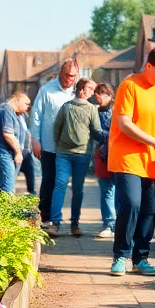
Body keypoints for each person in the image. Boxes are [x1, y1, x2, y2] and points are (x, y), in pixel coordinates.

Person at [108, 47, 155, 277]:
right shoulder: (129, 86)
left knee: (150, 210)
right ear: (148, 66)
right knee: (131, 205)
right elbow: (124, 123)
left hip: (154, 160)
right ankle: (121, 256)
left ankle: (141, 258)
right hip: (128, 157)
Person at [30, 60, 79, 236]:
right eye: (67, 76)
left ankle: (73, 220)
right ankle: (46, 217)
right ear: (61, 73)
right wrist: (35, 140)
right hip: (49, 145)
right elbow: (36, 116)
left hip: (71, 147)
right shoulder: (47, 90)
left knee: (71, 184)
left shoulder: (77, 92)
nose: (69, 79)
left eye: (73, 76)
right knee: (49, 180)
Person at [51, 77, 103, 237]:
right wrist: (61, 146)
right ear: (81, 89)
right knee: (60, 185)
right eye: (90, 89)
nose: (93, 92)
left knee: (78, 190)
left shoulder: (91, 109)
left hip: (82, 155)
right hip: (64, 154)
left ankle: (75, 223)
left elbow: (96, 131)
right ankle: (55, 223)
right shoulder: (66, 107)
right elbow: (57, 129)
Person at [0, 91, 30, 193]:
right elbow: (8, 134)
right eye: (26, 104)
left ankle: (6, 206)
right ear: (17, 100)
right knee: (7, 187)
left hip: (12, 154)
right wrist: (18, 153)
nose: (28, 107)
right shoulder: (7, 112)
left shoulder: (20, 115)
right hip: (3, 153)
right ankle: (5, 208)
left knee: (9, 185)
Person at [93, 81, 117, 239]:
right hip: (101, 156)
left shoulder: (115, 111)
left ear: (110, 95)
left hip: (114, 155)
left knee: (112, 190)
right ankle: (109, 223)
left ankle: (111, 224)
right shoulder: (94, 111)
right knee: (106, 190)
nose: (98, 96)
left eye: (102, 93)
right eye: (97, 93)